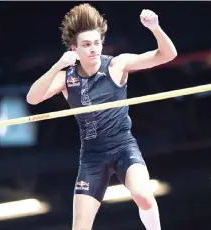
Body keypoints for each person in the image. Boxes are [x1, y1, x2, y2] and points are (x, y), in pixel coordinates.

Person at [27, 3, 177, 230]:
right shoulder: (66, 78)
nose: (93, 49)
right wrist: (58, 65)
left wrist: (155, 28)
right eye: (86, 45)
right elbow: (33, 98)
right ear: (73, 49)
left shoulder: (117, 64)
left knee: (143, 195)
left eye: (97, 43)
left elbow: (168, 55)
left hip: (123, 147)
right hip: (92, 156)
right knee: (80, 227)